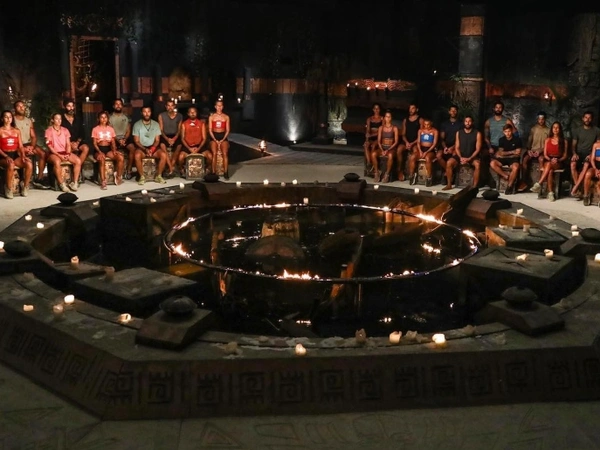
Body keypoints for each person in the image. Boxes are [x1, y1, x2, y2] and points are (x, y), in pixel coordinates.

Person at [13, 100, 49, 189]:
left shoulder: (28, 121)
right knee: (21, 155)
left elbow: (33, 137)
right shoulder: (12, 120)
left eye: (23, 106)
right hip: (17, 145)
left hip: (28, 144)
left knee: (43, 154)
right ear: (15, 108)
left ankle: (39, 178)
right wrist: (22, 148)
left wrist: (32, 147)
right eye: (19, 106)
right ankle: (23, 180)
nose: (21, 108)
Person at [531, 121, 568, 202]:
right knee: (550, 170)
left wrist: (558, 159)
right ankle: (551, 193)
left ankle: (539, 183)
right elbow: (545, 154)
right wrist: (550, 159)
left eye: (557, 128)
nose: (555, 129)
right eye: (554, 127)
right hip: (548, 159)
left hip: (558, 161)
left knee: (549, 165)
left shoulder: (564, 141)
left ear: (560, 129)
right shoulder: (547, 140)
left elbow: (565, 155)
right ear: (552, 129)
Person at [44, 113, 82, 192]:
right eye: (56, 119)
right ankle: (61, 183)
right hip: (53, 153)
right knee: (57, 161)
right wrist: (59, 155)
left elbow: (68, 144)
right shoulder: (48, 131)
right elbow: (49, 146)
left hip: (64, 152)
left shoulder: (65, 130)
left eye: (60, 119)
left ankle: (74, 182)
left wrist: (68, 154)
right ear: (53, 120)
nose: (59, 121)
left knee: (78, 161)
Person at [444, 115, 482, 190]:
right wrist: (460, 157)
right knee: (449, 162)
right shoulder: (459, 133)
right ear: (464, 122)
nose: (468, 123)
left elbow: (478, 149)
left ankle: (474, 187)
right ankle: (449, 184)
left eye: (469, 121)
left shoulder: (477, 133)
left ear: (472, 122)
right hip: (460, 155)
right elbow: (457, 147)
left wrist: (470, 158)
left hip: (472, 156)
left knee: (477, 164)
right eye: (466, 121)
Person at [0, 110, 32, 198]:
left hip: (15, 154)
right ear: (2, 119)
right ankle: (8, 188)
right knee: (11, 164)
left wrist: (23, 156)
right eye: (6, 117)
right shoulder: (0, 130)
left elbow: (21, 146)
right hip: (3, 155)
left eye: (10, 117)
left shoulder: (16, 131)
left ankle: (25, 186)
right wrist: (6, 156)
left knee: (29, 164)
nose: (8, 119)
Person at [132, 106, 168, 185]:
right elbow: (136, 141)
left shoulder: (156, 124)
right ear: (141, 113)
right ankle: (142, 177)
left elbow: (157, 140)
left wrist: (152, 149)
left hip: (153, 147)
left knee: (163, 155)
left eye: (148, 111)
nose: (147, 114)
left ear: (151, 113)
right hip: (142, 147)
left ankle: (158, 176)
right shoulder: (137, 125)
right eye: (144, 112)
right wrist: (145, 149)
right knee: (137, 155)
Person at [570, 111, 600, 197]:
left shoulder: (597, 130)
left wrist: (591, 155)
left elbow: (598, 146)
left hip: (589, 154)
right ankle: (579, 188)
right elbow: (573, 145)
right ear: (583, 118)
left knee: (586, 164)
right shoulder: (577, 130)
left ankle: (575, 188)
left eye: (589, 118)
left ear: (592, 119)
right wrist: (574, 153)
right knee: (572, 164)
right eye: (586, 117)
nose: (587, 119)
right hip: (579, 154)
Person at [91, 111, 124, 189]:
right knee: (102, 158)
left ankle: (118, 176)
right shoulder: (95, 129)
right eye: (102, 117)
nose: (104, 119)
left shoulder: (111, 129)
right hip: (98, 149)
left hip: (108, 149)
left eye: (105, 117)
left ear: (107, 118)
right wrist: (99, 152)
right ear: (98, 119)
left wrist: (114, 150)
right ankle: (103, 181)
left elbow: (113, 141)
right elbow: (94, 143)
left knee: (120, 157)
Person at [178, 106, 213, 176]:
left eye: (194, 112)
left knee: (210, 156)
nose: (192, 113)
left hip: (199, 146)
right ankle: (182, 170)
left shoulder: (201, 124)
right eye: (191, 112)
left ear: (197, 113)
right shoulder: (184, 124)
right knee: (180, 158)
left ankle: (207, 169)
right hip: (188, 146)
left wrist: (198, 149)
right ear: (188, 114)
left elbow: (204, 138)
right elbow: (182, 138)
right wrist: (189, 149)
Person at [519, 112, 548, 192]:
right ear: (537, 119)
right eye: (539, 119)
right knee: (525, 160)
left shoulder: (548, 130)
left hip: (542, 151)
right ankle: (523, 182)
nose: (541, 121)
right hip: (533, 151)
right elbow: (529, 142)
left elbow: (548, 145)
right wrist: (529, 150)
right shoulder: (533, 129)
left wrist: (540, 150)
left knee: (541, 160)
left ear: (545, 119)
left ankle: (539, 183)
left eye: (542, 119)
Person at [490, 124, 522, 194]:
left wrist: (504, 154)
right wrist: (512, 152)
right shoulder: (501, 140)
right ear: (503, 132)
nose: (507, 133)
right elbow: (501, 153)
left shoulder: (517, 140)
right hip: (504, 159)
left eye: (509, 131)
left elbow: (518, 153)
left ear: (512, 131)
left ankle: (509, 186)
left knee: (516, 167)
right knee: (492, 163)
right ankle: (505, 176)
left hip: (513, 159)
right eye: (506, 132)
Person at [109, 98, 136, 179]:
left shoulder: (126, 117)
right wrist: (118, 140)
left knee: (132, 148)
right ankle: (115, 171)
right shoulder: (110, 117)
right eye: (116, 104)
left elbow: (128, 130)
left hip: (124, 138)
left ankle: (129, 170)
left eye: (120, 104)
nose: (118, 106)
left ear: (122, 106)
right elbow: (110, 131)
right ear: (113, 106)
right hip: (114, 138)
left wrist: (124, 140)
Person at [61, 99, 90, 170]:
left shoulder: (78, 119)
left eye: (72, 106)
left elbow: (82, 133)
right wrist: (70, 143)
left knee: (86, 148)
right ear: (64, 107)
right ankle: (74, 169)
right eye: (68, 106)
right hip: (66, 143)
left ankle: (77, 168)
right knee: (66, 151)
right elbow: (60, 135)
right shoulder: (61, 119)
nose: (71, 108)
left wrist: (77, 143)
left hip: (77, 142)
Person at [371, 110, 399, 183]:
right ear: (384, 118)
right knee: (373, 154)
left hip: (391, 148)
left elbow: (396, 142)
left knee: (390, 155)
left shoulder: (394, 128)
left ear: (391, 118)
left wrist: (388, 150)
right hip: (382, 147)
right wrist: (382, 150)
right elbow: (379, 141)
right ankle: (376, 172)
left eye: (389, 117)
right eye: (386, 117)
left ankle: (387, 174)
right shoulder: (381, 128)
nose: (388, 118)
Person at [410, 117, 439, 186]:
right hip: (421, 148)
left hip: (430, 149)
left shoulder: (435, 131)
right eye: (425, 124)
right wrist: (420, 151)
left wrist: (426, 152)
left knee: (428, 158)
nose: (426, 126)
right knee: (413, 157)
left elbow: (434, 144)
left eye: (428, 124)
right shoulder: (420, 130)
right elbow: (418, 142)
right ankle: (412, 175)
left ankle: (429, 177)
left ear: (431, 124)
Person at [437, 104, 461, 186]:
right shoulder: (444, 124)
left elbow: (460, 139)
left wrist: (452, 148)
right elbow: (442, 138)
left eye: (455, 110)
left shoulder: (460, 124)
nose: (453, 112)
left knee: (454, 156)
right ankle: (448, 172)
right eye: (451, 110)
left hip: (456, 146)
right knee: (438, 156)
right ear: (449, 112)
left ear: (457, 112)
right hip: (445, 146)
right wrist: (445, 147)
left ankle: (447, 174)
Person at [158, 99, 182, 177]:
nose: (170, 107)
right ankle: (171, 167)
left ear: (174, 106)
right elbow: (161, 130)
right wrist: (167, 139)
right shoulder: (161, 115)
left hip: (175, 135)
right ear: (166, 107)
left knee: (179, 145)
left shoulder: (179, 116)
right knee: (162, 145)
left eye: (172, 106)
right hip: (165, 135)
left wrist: (174, 139)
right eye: (168, 106)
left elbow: (179, 130)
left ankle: (172, 165)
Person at [401, 103, 424, 183]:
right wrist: (407, 142)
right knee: (399, 150)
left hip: (416, 142)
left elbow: (421, 135)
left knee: (415, 152)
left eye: (413, 108)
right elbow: (403, 134)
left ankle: (412, 173)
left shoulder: (420, 120)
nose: (410, 110)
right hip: (407, 142)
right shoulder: (405, 120)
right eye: (410, 108)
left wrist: (412, 143)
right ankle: (400, 171)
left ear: (417, 109)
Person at [208, 99, 231, 179]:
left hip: (223, 136)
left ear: (223, 107)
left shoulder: (226, 117)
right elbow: (210, 130)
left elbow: (228, 130)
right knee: (214, 153)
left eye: (221, 106)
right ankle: (213, 172)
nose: (219, 107)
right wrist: (215, 139)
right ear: (215, 106)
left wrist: (223, 139)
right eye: (218, 106)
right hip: (214, 136)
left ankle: (226, 172)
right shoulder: (211, 117)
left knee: (225, 153)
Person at [363, 103, 383, 175]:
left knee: (373, 146)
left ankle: (374, 165)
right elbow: (368, 130)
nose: (376, 110)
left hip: (379, 138)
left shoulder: (382, 119)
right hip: (371, 138)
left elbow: (381, 131)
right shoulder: (369, 119)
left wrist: (372, 134)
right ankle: (369, 163)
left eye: (378, 108)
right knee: (366, 145)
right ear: (373, 109)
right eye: (375, 108)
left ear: (380, 110)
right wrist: (367, 138)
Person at [581, 136, 600, 206]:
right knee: (588, 174)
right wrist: (595, 169)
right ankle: (585, 196)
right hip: (596, 165)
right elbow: (592, 159)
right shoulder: (596, 145)